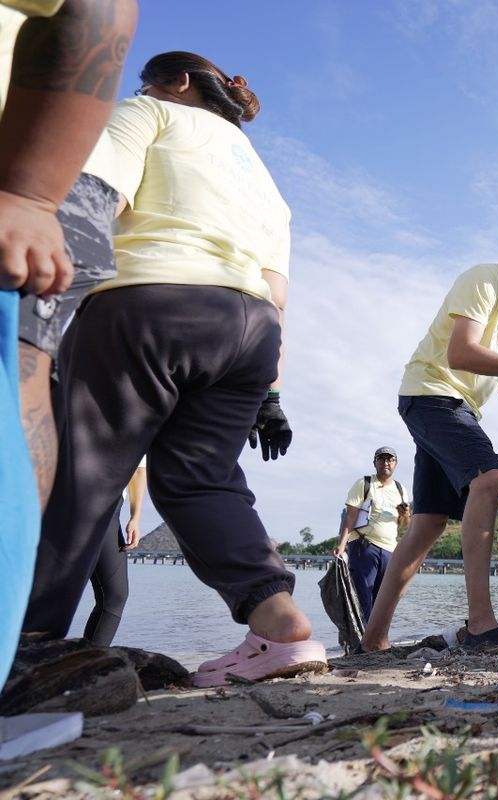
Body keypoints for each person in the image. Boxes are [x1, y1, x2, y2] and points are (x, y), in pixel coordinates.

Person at [22, 51, 325, 687]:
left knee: (84, 473)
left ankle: (27, 648)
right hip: (250, 331)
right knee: (200, 479)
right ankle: (280, 625)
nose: (141, 88)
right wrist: (269, 394)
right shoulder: (266, 182)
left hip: (153, 304)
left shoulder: (151, 114)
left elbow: (91, 203)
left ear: (177, 83)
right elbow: (276, 293)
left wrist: (38, 326)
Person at [360, 228, 498, 651]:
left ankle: (372, 640)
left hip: (459, 406)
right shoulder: (484, 279)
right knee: (490, 478)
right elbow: (460, 353)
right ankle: (481, 625)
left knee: (427, 524)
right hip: (431, 393)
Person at [0, 0, 136, 688]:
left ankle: (23, 642)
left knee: (22, 380)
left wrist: (29, 193)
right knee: (25, 380)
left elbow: (102, 9)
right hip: (57, 188)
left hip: (30, 170)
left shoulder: (147, 114)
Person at [332, 446, 411, 623]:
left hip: (389, 550)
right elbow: (350, 517)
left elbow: (404, 524)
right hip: (364, 546)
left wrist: (404, 514)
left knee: (383, 599)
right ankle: (363, 642)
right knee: (362, 597)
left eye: (390, 459)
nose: (386, 463)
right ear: (375, 463)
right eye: (381, 459)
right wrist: (342, 545)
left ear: (395, 463)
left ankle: (375, 639)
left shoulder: (401, 489)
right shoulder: (364, 484)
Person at [81, 458, 145, 646]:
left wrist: (135, 517)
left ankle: (86, 663)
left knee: (114, 595)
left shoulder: (139, 428)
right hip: (79, 498)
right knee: (113, 596)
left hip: (108, 506)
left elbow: (139, 469)